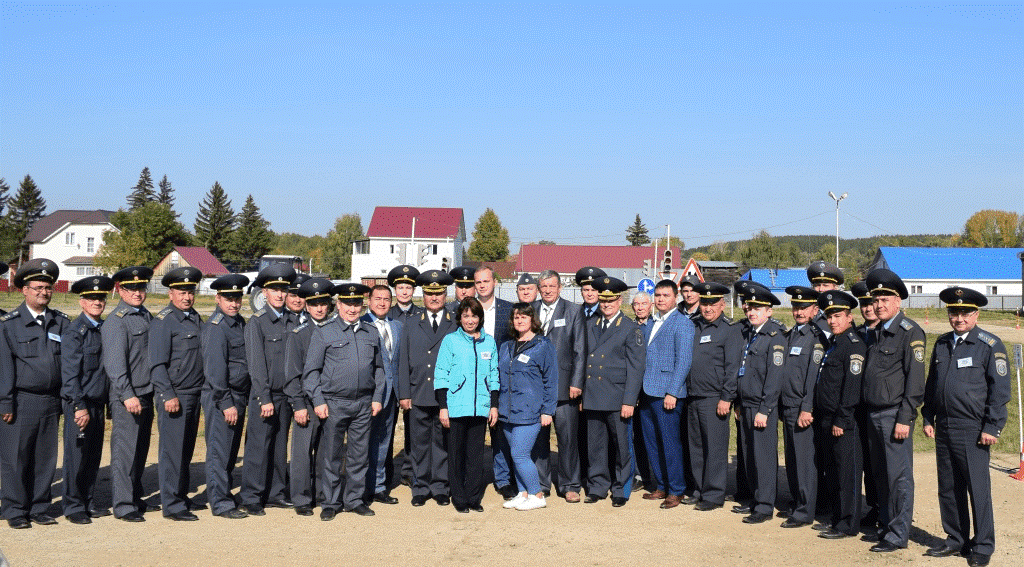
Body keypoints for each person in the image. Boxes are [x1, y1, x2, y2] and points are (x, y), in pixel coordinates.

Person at [922, 287, 1010, 567]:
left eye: (965, 312)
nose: (959, 318)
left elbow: (1000, 390)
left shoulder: (989, 345)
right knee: (948, 487)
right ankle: (956, 538)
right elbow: (933, 384)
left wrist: (992, 426)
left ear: (976, 314)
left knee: (977, 488)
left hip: (973, 429)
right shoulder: (942, 343)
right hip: (945, 426)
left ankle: (983, 545)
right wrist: (928, 416)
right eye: (953, 312)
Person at [304, 283, 385, 519]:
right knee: (331, 455)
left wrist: (377, 397)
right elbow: (311, 372)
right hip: (333, 403)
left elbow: (379, 369)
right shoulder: (325, 332)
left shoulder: (371, 332)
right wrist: (318, 400)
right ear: (338, 305)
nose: (352, 308)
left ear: (362, 304)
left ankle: (354, 499)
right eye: (347, 303)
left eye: (356, 303)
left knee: (359, 455)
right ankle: (330, 502)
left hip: (363, 404)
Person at [0, 259, 70, 529]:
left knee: (45, 457)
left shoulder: (60, 322)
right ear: (24, 290)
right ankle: (15, 509)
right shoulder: (9, 324)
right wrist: (5, 401)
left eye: (48, 287)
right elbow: (5, 367)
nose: (44, 292)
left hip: (51, 400)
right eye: (38, 287)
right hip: (21, 400)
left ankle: (40, 507)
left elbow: (67, 362)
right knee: (15, 458)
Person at [861, 268, 925, 553]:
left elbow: (915, 382)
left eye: (886, 298)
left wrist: (905, 418)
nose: (879, 304)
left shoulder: (909, 332)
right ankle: (886, 526)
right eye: (876, 299)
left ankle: (898, 534)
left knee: (898, 478)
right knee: (880, 476)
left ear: (898, 301)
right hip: (873, 415)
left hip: (893, 416)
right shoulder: (877, 333)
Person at [240, 264, 299, 516]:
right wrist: (264, 397)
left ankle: (275, 492)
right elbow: (256, 364)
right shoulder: (257, 322)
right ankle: (251, 496)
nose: (279, 294)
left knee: (278, 446)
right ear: (264, 292)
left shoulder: (292, 320)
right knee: (258, 446)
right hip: (265, 396)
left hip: (286, 394)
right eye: (274, 289)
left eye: (283, 290)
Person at [582, 277, 645, 507]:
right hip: (593, 394)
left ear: (620, 301)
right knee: (595, 446)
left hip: (617, 396)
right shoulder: (591, 325)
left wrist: (629, 400)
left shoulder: (630, 328)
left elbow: (636, 368)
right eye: (603, 300)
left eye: (612, 300)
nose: (607, 305)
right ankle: (597, 486)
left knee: (621, 446)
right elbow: (583, 359)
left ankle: (621, 488)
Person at [149, 266, 205, 521]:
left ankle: (181, 495)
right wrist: (167, 394)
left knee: (186, 449)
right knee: (172, 451)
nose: (187, 297)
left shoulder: (194, 318)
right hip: (175, 395)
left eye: (190, 292)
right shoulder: (164, 321)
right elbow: (157, 364)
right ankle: (171, 504)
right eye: (181, 292)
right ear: (170, 293)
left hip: (194, 393)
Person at [434, 297, 500, 513]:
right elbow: (441, 374)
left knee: (475, 455)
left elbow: (494, 375)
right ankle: (460, 498)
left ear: (480, 317)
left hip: (480, 407)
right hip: (455, 406)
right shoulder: (450, 341)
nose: (470, 320)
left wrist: (493, 405)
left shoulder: (488, 342)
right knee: (456, 455)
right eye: (466, 316)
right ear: (460, 318)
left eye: (474, 316)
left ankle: (473, 497)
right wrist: (443, 406)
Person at [398, 269, 458, 506]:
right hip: (418, 392)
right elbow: (403, 361)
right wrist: (404, 393)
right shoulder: (411, 323)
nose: (434, 298)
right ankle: (420, 487)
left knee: (442, 443)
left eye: (439, 294)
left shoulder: (455, 323)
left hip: (445, 396)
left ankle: (440, 486)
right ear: (423, 295)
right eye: (429, 294)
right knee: (420, 444)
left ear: (446, 295)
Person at [102, 265, 157, 522]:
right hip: (129, 397)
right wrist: (127, 395)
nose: (137, 292)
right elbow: (115, 364)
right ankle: (123, 505)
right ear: (120, 290)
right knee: (125, 451)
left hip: (145, 393)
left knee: (140, 449)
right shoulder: (116, 321)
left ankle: (134, 496)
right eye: (131, 288)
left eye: (141, 287)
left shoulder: (145, 316)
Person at [60, 276, 116, 525]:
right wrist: (78, 406)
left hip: (98, 403)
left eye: (101, 298)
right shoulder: (75, 332)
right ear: (82, 302)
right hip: (80, 405)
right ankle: (73, 506)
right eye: (92, 298)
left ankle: (89, 500)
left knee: (93, 456)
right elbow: (70, 375)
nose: (98, 302)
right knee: (76, 457)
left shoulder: (104, 329)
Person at [814, 290, 866, 541]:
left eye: (837, 316)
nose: (832, 321)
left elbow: (851, 388)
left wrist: (842, 420)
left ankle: (848, 524)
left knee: (847, 474)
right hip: (827, 418)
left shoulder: (853, 346)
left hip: (843, 422)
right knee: (833, 472)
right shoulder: (834, 344)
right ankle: (837, 519)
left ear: (850, 317)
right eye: (829, 316)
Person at [731, 285, 785, 524]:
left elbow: (774, 379)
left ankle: (764, 506)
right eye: (750, 307)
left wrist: (765, 410)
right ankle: (755, 500)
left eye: (758, 308)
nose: (752, 312)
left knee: (763, 457)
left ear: (769, 311)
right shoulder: (750, 333)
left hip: (762, 408)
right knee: (750, 456)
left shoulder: (774, 336)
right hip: (747, 405)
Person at [638, 280, 694, 509]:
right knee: (653, 442)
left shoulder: (682, 324)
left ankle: (676, 489)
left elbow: (684, 360)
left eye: (665, 295)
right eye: (658, 295)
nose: (661, 299)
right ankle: (661, 485)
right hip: (648, 391)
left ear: (675, 297)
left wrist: (673, 391)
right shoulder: (652, 322)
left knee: (670, 443)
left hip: (667, 394)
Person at [687, 282, 743, 512]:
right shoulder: (693, 326)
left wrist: (726, 398)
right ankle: (699, 489)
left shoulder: (730, 330)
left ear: (723, 304)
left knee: (715, 448)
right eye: (704, 303)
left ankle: (714, 493)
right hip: (693, 396)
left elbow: (733, 368)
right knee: (696, 447)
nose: (708, 308)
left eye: (713, 304)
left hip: (714, 398)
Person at [498, 302, 557, 511]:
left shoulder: (542, 345)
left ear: (532, 320)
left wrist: (548, 409)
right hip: (507, 410)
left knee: (520, 454)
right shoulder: (506, 346)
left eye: (524, 316)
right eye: (516, 317)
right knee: (516, 454)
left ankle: (537, 493)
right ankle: (523, 493)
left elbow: (551, 379)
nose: (520, 320)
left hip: (529, 410)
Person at [283, 277, 335, 515]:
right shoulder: (298, 334)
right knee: (303, 453)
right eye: (314, 304)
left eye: (323, 303)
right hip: (307, 402)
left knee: (328, 452)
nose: (319, 308)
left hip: (331, 402)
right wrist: (298, 404)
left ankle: (325, 495)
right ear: (306, 305)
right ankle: (302, 499)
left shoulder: (336, 330)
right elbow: (292, 374)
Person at [201, 273, 251, 520]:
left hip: (237, 396)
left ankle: (225, 494)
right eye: (228, 298)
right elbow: (214, 370)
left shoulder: (239, 323)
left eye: (237, 298)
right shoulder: (216, 328)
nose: (233, 303)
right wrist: (226, 402)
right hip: (222, 398)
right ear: (218, 299)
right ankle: (220, 502)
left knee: (230, 451)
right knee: (219, 452)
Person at [534, 270, 585, 503]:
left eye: (551, 286)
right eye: (543, 286)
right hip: (536, 389)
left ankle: (570, 484)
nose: (547, 290)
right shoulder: (530, 310)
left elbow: (580, 350)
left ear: (560, 287)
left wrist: (576, 382)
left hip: (565, 388)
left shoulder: (573, 311)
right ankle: (541, 483)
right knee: (539, 439)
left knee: (567, 439)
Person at [777, 286, 825, 528]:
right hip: (787, 406)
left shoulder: (815, 337)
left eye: (804, 307)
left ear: (815, 309)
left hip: (801, 408)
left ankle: (806, 510)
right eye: (796, 307)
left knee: (805, 462)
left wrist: (807, 407)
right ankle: (797, 501)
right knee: (792, 460)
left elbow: (812, 376)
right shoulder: (790, 335)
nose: (799, 311)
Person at [475, 265, 516, 498]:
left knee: (499, 432)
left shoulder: (507, 310)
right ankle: (473, 477)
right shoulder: (467, 309)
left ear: (495, 282)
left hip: (499, 381)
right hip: (471, 381)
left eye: (486, 281)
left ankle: (502, 479)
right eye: (478, 282)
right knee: (473, 433)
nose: (482, 285)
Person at [361, 284, 403, 506]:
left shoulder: (397, 326)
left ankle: (378, 487)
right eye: (378, 298)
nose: (382, 303)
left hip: (391, 395)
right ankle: (360, 488)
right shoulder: (361, 324)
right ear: (369, 300)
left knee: (383, 443)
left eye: (387, 299)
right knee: (363, 443)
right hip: (367, 395)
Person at [387, 264, 423, 487]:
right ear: (394, 290)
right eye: (400, 287)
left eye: (408, 288)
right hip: (390, 382)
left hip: (414, 381)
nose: (404, 292)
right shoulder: (388, 314)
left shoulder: (421, 315)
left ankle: (410, 470)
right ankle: (385, 472)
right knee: (386, 431)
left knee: (413, 431)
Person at [850, 279, 881, 529]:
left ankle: (885, 510)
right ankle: (872, 506)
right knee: (864, 463)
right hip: (858, 409)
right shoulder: (858, 334)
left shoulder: (886, 334)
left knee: (881, 462)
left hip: (880, 408)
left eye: (871, 303)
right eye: (863, 304)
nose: (867, 308)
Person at [807, 261, 844, 336]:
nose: (821, 289)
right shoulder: (807, 312)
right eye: (817, 285)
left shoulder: (842, 314)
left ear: (835, 287)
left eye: (825, 285)